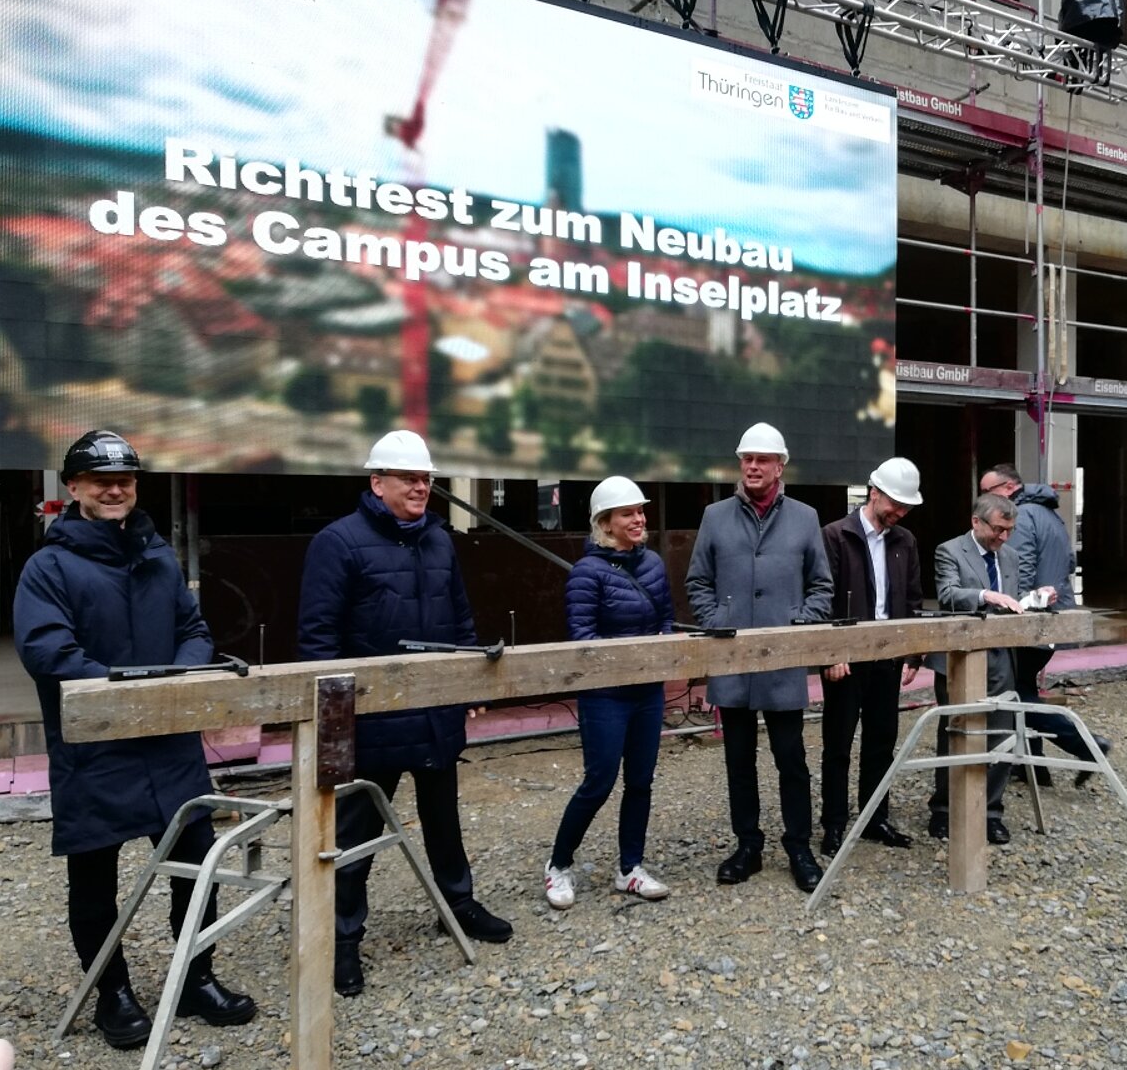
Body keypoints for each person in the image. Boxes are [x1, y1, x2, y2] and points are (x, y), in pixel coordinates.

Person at [13, 430, 255, 1050]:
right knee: (94, 877)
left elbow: (193, 629)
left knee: (197, 863)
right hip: (95, 750)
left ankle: (196, 973)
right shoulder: (49, 567)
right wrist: (126, 698)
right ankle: (111, 993)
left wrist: (177, 679)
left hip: (169, 743)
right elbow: (48, 650)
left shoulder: (157, 555)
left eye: (124, 479)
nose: (115, 489)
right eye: (100, 481)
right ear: (74, 488)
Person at [297, 429, 512, 998]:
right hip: (370, 721)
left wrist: (468, 679)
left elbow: (459, 619)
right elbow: (317, 640)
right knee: (355, 830)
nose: (421, 488)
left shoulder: (440, 541)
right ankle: (343, 941)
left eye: (427, 479)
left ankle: (457, 906)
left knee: (444, 818)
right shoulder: (337, 544)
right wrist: (335, 717)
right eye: (409, 479)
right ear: (377, 482)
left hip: (435, 709)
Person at [685, 422, 833, 892]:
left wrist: (797, 624)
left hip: (783, 662)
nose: (752, 466)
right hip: (732, 661)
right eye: (746, 458)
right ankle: (747, 845)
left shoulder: (806, 518)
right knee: (738, 759)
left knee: (791, 758)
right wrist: (719, 624)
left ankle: (799, 846)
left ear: (780, 466)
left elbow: (822, 586)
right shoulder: (715, 516)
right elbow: (697, 582)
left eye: (762, 459)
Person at [544, 476, 676, 910]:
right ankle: (559, 865)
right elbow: (583, 638)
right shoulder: (587, 573)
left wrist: (661, 648)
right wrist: (634, 655)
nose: (638, 519)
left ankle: (630, 868)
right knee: (598, 781)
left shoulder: (654, 564)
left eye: (640, 511)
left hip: (647, 691)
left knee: (641, 780)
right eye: (628, 513)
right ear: (606, 522)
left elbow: (668, 619)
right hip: (605, 695)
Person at [818, 457, 924, 858]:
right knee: (838, 743)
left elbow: (912, 599)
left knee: (882, 740)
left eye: (906, 507)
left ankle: (874, 817)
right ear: (873, 492)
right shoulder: (834, 536)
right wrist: (831, 652)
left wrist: (913, 651)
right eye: (895, 503)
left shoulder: (905, 541)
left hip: (888, 657)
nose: (900, 512)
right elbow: (822, 598)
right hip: (847, 659)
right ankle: (834, 823)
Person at [979, 465, 1111, 787]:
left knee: (1015, 695)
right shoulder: (1051, 516)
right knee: (1020, 689)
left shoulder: (1019, 517)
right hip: (1051, 621)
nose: (983, 500)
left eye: (987, 492)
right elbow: (1068, 564)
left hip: (1030, 623)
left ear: (1008, 488)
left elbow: (1017, 570)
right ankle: (1031, 767)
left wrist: (1010, 613)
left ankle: (1088, 745)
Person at [926, 492, 1037, 846]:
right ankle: (944, 809)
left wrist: (1034, 601)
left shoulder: (1012, 557)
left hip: (1002, 656)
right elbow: (947, 593)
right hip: (959, 658)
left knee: (1002, 735)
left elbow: (1014, 603)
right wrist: (985, 596)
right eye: (998, 529)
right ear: (976, 521)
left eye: (1009, 531)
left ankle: (990, 812)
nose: (1003, 537)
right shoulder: (949, 550)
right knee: (956, 732)